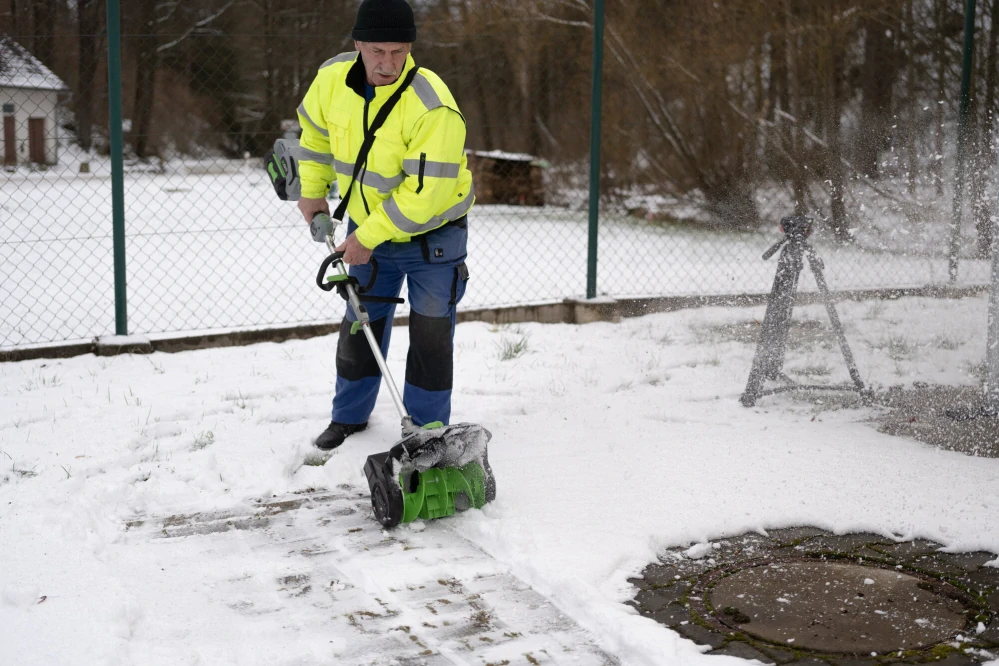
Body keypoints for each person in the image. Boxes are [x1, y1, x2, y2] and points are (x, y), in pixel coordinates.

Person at [295, 0, 475, 450]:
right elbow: (315, 138)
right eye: (377, 50)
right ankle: (349, 417)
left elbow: (424, 196)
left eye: (398, 52)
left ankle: (427, 435)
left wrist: (366, 237)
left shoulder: (432, 105)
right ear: (358, 44)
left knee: (431, 334)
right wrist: (313, 191)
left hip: (432, 236)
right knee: (361, 323)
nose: (387, 63)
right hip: (366, 230)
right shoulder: (332, 80)